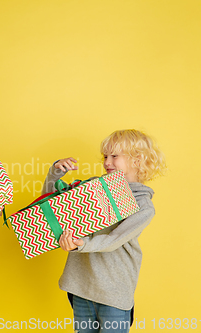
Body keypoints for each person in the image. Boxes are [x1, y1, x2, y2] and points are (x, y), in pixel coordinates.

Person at [42, 129, 166, 333]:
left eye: (114, 156)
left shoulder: (143, 205)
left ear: (137, 160)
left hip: (113, 292)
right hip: (81, 287)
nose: (107, 162)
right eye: (105, 156)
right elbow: (50, 206)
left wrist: (81, 244)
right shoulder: (94, 188)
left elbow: (114, 239)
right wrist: (55, 174)